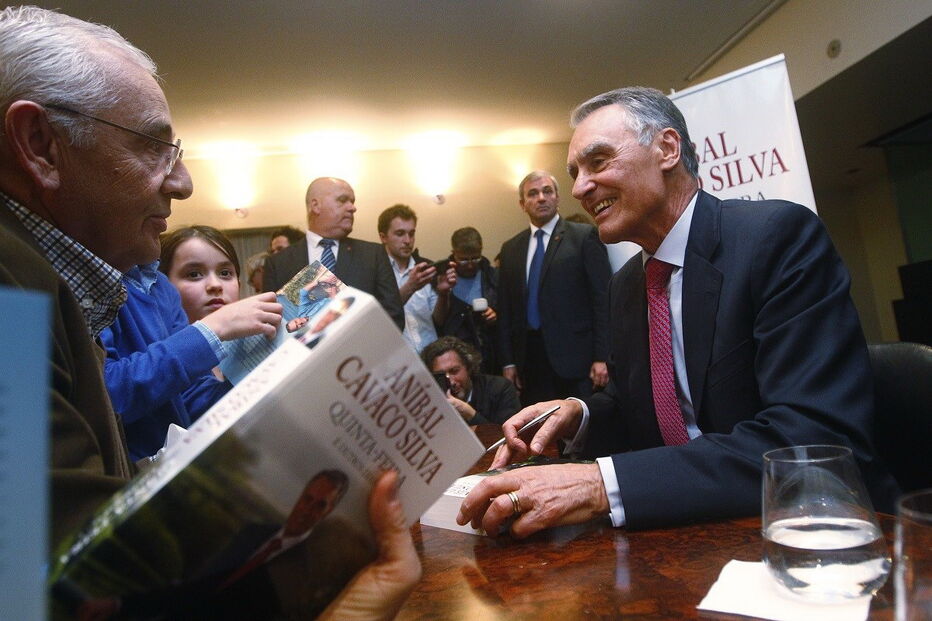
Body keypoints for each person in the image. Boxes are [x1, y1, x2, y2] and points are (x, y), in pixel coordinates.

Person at [0, 7, 419, 617]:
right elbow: (57, 587)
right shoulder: (11, 285)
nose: (184, 182)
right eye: (152, 146)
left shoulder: (57, 282)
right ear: (40, 145)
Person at [458, 86, 900, 538]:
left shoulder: (777, 238)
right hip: (691, 533)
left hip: (817, 531)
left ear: (667, 149)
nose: (579, 188)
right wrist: (580, 414)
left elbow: (809, 442)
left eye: (598, 162)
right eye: (574, 172)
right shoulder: (626, 284)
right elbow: (644, 411)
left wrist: (598, 484)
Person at [100, 225, 281, 461]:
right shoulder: (108, 283)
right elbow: (105, 396)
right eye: (194, 274)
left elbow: (191, 400)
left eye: (226, 273)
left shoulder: (161, 289)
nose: (215, 285)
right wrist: (212, 329)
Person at [497, 170, 613, 405]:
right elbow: (506, 310)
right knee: (542, 433)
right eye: (533, 193)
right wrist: (508, 361)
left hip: (577, 362)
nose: (541, 198)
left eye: (547, 191)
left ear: (557, 198)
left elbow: (603, 300)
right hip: (529, 363)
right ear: (523, 204)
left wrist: (603, 357)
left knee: (584, 433)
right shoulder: (510, 249)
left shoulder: (583, 237)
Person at [262, 177, 405, 329]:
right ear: (315, 205)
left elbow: (393, 315)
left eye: (353, 201)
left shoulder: (373, 255)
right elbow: (271, 323)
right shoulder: (278, 263)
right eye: (343, 200)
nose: (352, 208)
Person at [377, 204, 456, 353]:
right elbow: (376, 319)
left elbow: (438, 320)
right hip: (397, 360)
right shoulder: (374, 272)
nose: (408, 240)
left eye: (411, 233)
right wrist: (410, 287)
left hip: (431, 355)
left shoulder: (425, 268)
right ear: (383, 237)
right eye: (400, 233)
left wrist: (444, 294)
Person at [436, 227, 500, 374]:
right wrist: (443, 293)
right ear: (454, 254)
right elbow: (438, 322)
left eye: (475, 258)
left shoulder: (494, 277)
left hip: (491, 355)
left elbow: (508, 316)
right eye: (464, 260)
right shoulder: (442, 279)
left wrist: (496, 315)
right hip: (457, 357)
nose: (470, 264)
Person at [422, 337, 520, 425]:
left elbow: (507, 439)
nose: (451, 382)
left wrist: (470, 415)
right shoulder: (430, 404)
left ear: (468, 367)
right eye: (441, 376)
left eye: (454, 371)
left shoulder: (501, 389)